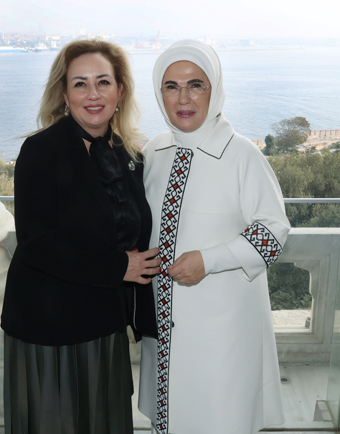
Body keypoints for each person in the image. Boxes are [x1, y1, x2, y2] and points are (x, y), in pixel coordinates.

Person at [1, 39, 160, 434]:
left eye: (103, 82)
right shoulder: (40, 151)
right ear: (64, 94)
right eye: (80, 84)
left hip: (104, 321)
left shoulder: (128, 154)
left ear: (120, 91)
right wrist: (119, 266)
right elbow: (37, 243)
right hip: (49, 325)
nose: (93, 94)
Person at [138, 40, 289, 434]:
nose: (183, 98)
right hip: (165, 321)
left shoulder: (242, 155)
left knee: (219, 416)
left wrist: (209, 260)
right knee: (171, 416)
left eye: (196, 85)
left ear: (214, 88)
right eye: (171, 86)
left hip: (224, 328)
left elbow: (273, 231)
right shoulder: (153, 152)